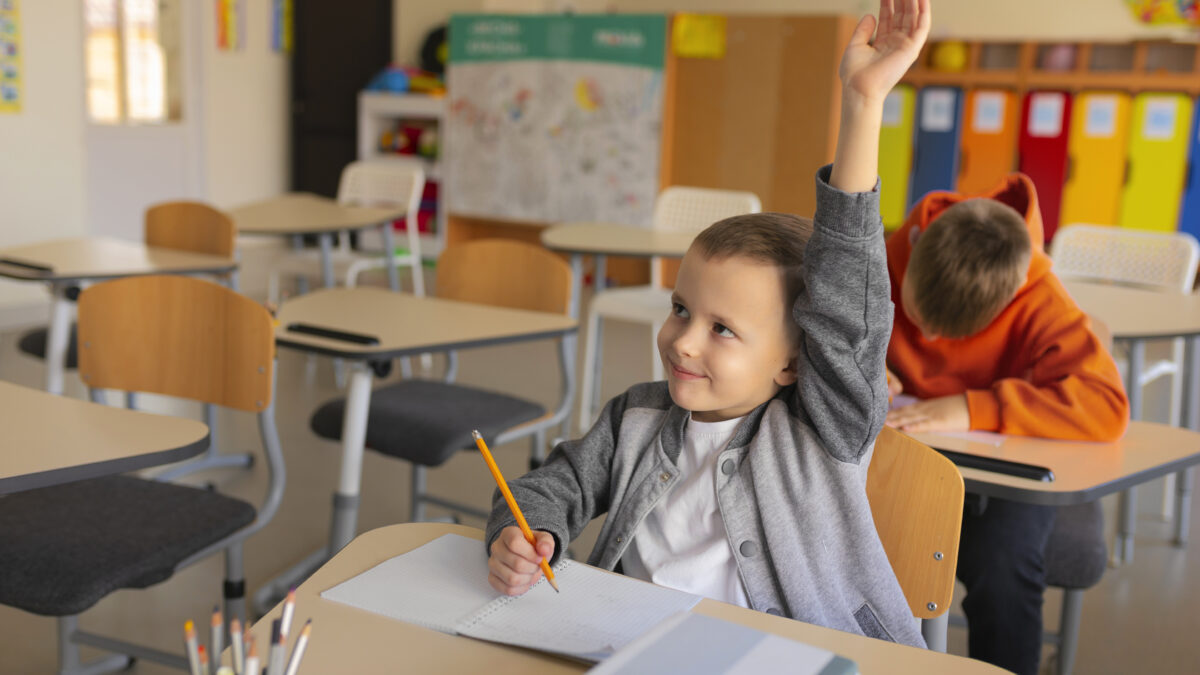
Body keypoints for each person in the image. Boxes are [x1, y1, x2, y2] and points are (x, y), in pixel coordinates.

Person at [484, 0, 932, 647]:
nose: (682, 340)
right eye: (680, 309)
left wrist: (862, 105)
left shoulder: (821, 430)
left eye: (723, 329)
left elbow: (847, 308)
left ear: (793, 362)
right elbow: (546, 484)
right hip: (629, 646)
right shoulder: (635, 418)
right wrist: (528, 532)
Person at [884, 175, 1129, 673]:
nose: (927, 335)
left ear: (1010, 297)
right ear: (914, 246)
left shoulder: (1036, 295)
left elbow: (1106, 405)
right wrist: (868, 361)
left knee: (1002, 563)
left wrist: (976, 408)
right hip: (901, 453)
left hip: (1006, 467)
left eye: (948, 331)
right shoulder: (888, 253)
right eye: (916, 315)